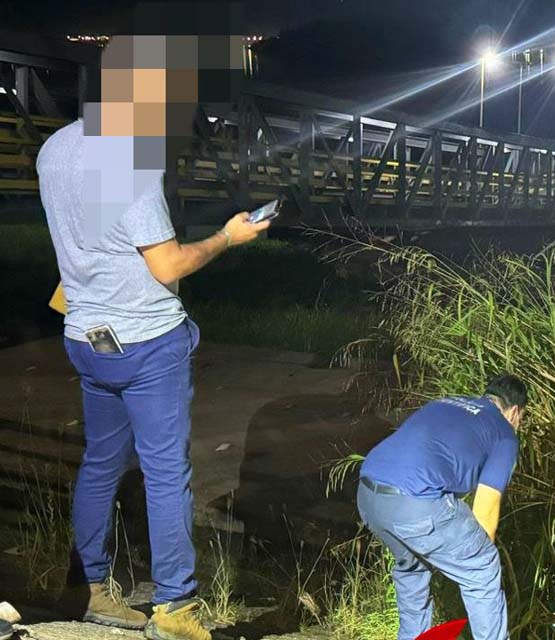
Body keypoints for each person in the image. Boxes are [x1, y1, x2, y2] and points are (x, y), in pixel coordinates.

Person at [37, 32, 265, 640]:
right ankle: (176, 607)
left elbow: (81, 241)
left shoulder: (55, 149)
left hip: (86, 338)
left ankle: (90, 589)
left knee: (101, 463)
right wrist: (226, 238)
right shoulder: (129, 159)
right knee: (167, 474)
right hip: (146, 344)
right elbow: (167, 265)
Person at [357, 374, 527, 640]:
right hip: (415, 501)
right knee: (482, 566)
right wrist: (474, 556)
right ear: (515, 412)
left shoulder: (444, 403)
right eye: (522, 419)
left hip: (368, 493)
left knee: (412, 566)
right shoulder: (504, 434)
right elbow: (486, 510)